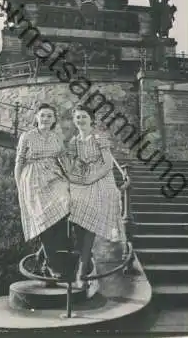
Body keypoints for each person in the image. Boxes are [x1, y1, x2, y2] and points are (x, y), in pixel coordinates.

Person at [66, 105, 125, 287]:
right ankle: (82, 257)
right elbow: (72, 164)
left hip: (101, 179)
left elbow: (108, 165)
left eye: (84, 117)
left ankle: (81, 270)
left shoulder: (99, 137)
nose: (80, 120)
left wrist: (91, 178)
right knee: (72, 212)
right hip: (84, 179)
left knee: (90, 219)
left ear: (91, 119)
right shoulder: (74, 141)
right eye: (77, 117)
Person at [14, 104, 70, 278]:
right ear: (36, 117)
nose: (46, 119)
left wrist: (71, 178)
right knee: (44, 217)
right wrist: (19, 185)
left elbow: (63, 159)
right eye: (43, 115)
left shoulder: (56, 137)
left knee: (66, 205)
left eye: (49, 116)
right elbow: (19, 161)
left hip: (54, 176)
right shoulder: (27, 136)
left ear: (54, 120)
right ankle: (52, 264)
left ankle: (41, 255)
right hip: (33, 178)